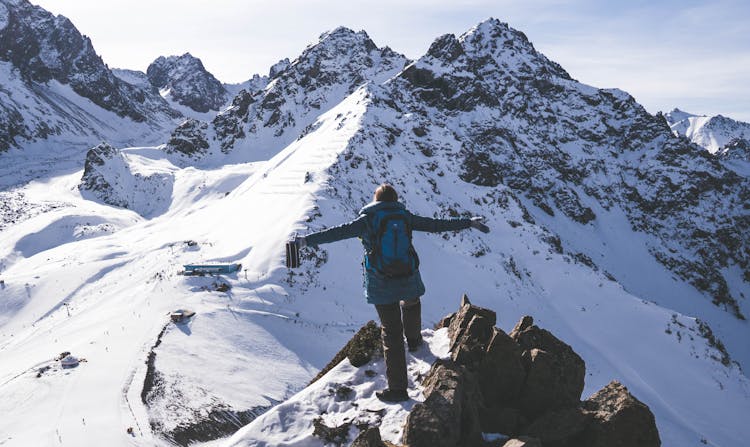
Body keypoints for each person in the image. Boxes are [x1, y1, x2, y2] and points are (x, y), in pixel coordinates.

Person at [295, 183, 489, 402]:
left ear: (375, 200)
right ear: (395, 200)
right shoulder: (404, 217)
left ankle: (398, 389)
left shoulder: (367, 220)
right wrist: (468, 222)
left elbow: (336, 233)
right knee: (412, 302)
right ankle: (415, 340)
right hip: (407, 276)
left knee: (392, 333)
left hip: (381, 281)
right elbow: (435, 225)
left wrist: (305, 241)